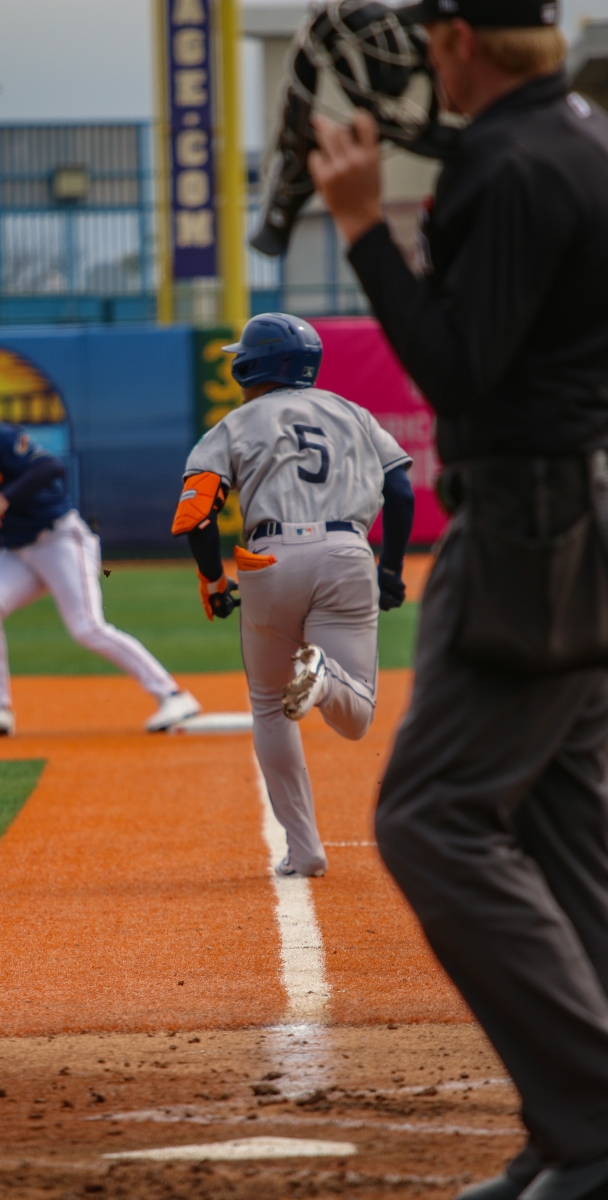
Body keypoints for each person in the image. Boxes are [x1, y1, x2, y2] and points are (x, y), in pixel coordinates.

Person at [309, 3, 608, 1198]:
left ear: (458, 43)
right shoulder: (575, 134)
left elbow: (456, 369)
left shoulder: (511, 159)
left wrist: (358, 226)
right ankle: (569, 1127)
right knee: (558, 825)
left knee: (430, 819)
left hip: (532, 524)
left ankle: (591, 1124)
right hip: (575, 511)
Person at [171, 314, 414, 877]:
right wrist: (392, 568)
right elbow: (400, 490)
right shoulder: (353, 412)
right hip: (346, 553)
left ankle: (305, 850)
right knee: (355, 719)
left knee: (268, 705)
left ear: (251, 365)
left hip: (269, 559)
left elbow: (198, 516)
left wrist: (213, 581)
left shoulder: (233, 424)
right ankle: (323, 679)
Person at [0, 373, 201, 736]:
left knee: (87, 627)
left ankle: (173, 694)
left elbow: (49, 467)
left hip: (59, 540)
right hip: (18, 551)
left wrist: (3, 498)